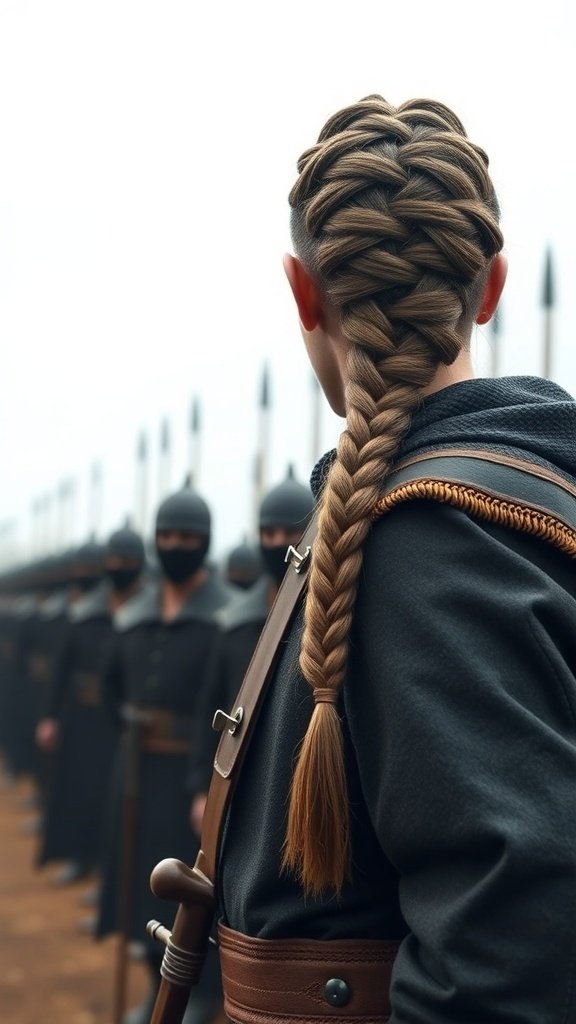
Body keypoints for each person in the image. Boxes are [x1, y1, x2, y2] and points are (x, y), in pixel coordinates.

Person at [193, 95, 576, 1024]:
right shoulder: (474, 502)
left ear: (302, 292)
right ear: (489, 287)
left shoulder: (426, 536)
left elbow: (510, 952)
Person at [96, 486, 234, 1024]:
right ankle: (154, 989)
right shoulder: (137, 611)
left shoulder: (223, 613)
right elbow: (110, 685)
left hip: (194, 773)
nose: (175, 544)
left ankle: (198, 995)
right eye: (167, 535)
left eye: (187, 537)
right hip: (138, 769)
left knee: (192, 885)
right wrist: (126, 724)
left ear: (204, 542)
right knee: (140, 879)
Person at [189, 469, 314, 832]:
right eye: (268, 534)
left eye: (290, 533)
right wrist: (201, 788)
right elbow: (210, 708)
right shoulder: (234, 622)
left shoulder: (333, 613)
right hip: (242, 783)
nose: (278, 543)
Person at [36, 528, 146, 891]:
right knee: (81, 791)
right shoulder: (86, 612)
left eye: (127, 562)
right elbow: (61, 671)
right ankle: (80, 858)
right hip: (82, 718)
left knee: (114, 799)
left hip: (119, 722)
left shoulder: (145, 611)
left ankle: (107, 874)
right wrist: (51, 716)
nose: (119, 568)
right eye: (113, 562)